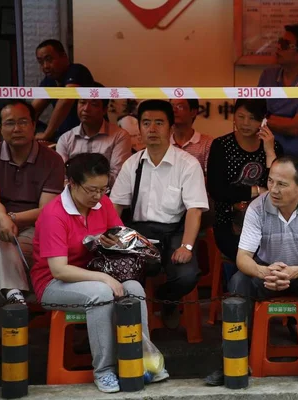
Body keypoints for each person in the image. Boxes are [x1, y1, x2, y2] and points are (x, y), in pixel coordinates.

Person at [30, 153, 166, 393]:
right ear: (70, 183)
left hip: (94, 272)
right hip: (54, 284)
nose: (97, 197)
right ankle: (104, 370)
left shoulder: (101, 204)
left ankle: (142, 360)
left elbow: (118, 235)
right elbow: (59, 270)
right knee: (102, 294)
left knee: (134, 288)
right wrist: (105, 278)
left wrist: (114, 242)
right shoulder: (54, 214)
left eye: (103, 189)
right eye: (91, 190)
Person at [205, 155, 298, 388]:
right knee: (238, 281)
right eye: (271, 181)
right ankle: (233, 359)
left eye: (282, 184)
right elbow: (242, 257)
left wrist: (293, 272)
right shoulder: (257, 207)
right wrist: (264, 273)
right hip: (267, 274)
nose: (273, 189)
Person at [110, 100, 208, 328]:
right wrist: (114, 239)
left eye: (158, 123)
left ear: (170, 128)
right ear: (140, 129)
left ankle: (167, 300)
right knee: (128, 268)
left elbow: (195, 210)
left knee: (187, 276)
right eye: (146, 123)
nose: (152, 129)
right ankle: (132, 325)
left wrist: (187, 247)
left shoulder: (187, 164)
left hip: (175, 231)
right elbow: (115, 207)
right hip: (140, 232)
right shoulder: (132, 164)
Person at [0, 101, 65, 364]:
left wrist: (9, 218)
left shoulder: (52, 159)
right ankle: (17, 298)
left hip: (37, 232)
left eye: (23, 122)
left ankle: (1, 333)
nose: (17, 128)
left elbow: (46, 211)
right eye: (9, 123)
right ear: (0, 128)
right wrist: (2, 219)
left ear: (33, 124)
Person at [206, 99, 282, 261]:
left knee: (276, 250)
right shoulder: (221, 145)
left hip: (267, 220)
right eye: (241, 116)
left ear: (263, 120)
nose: (245, 123)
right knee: (251, 254)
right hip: (229, 220)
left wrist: (269, 152)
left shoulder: (274, 147)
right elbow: (217, 190)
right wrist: (257, 190)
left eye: (253, 118)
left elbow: (278, 188)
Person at [258, 23, 298, 172]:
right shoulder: (267, 75)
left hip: (297, 163)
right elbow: (256, 115)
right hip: (265, 156)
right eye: (279, 42)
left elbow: (295, 127)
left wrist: (268, 120)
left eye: (286, 44)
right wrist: (293, 125)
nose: (279, 47)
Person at [56, 84, 132, 187]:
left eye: (94, 104)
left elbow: (117, 176)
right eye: (82, 102)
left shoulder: (119, 136)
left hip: (106, 196)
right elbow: (61, 176)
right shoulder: (66, 139)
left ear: (104, 109)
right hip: (73, 196)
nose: (86, 109)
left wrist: (85, 187)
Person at [31, 39, 95, 142]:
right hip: (63, 136)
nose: (45, 66)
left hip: (86, 136)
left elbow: (66, 100)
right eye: (41, 62)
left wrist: (46, 134)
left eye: (49, 59)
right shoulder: (50, 81)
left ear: (64, 57)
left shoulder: (77, 70)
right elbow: (33, 110)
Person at [170, 99, 213, 175]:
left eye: (180, 106)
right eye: (171, 106)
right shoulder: (164, 142)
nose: (174, 110)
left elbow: (210, 177)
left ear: (193, 112)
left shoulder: (207, 143)